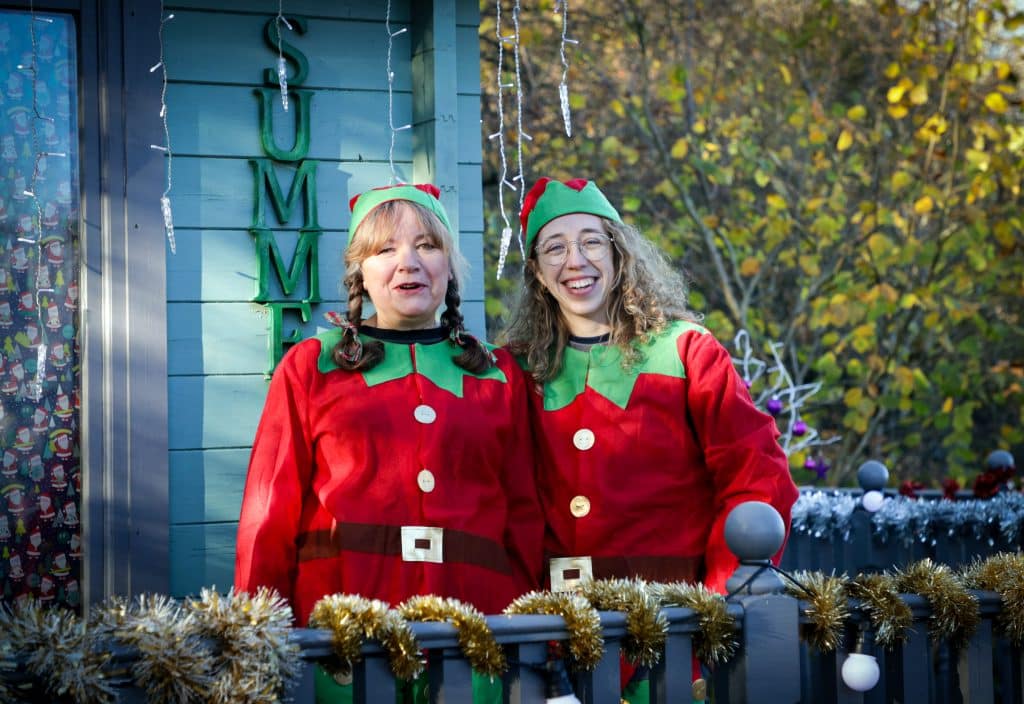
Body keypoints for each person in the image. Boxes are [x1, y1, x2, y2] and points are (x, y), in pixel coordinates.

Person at [235, 184, 544, 690]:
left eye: (426, 245)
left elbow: (526, 519)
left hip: (477, 630)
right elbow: (268, 516)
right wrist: (255, 644)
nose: (408, 263)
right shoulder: (313, 367)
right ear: (360, 271)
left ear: (449, 264)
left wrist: (533, 644)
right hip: (342, 634)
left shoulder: (499, 374)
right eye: (385, 249)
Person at [502, 177, 800, 701]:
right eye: (555, 247)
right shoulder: (516, 368)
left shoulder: (687, 351)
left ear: (619, 253)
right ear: (537, 272)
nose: (576, 260)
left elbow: (756, 476)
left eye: (591, 241)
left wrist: (718, 601)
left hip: (672, 633)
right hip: (553, 641)